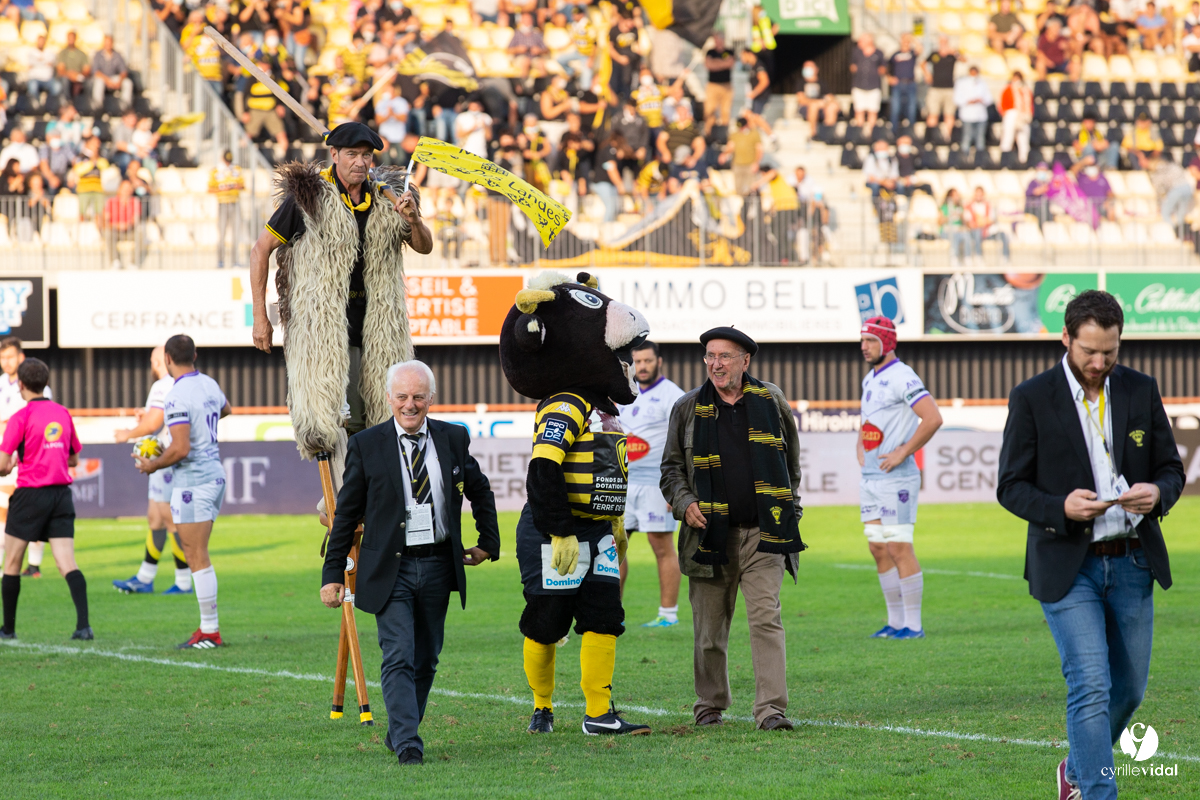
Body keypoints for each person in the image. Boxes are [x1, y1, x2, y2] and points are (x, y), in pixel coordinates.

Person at [997, 290, 1184, 800]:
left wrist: (1158, 493)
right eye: (1088, 352)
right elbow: (1010, 487)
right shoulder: (1032, 397)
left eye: (1110, 352)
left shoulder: (1141, 389)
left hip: (1133, 562)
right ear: (1065, 338)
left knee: (1129, 691)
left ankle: (1076, 770)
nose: (1099, 363)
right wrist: (1060, 507)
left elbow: (1172, 469)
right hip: (1068, 567)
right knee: (1091, 685)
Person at [321, 360, 499, 765]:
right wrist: (332, 574)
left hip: (439, 563)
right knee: (398, 654)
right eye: (402, 396)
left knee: (427, 657)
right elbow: (346, 515)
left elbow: (480, 489)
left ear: (430, 398)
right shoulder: (368, 444)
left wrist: (489, 541)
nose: (410, 404)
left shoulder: (454, 437)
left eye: (418, 396)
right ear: (389, 399)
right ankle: (408, 744)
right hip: (390, 569)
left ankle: (399, 729)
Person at [250, 121, 433, 465]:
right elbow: (260, 250)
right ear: (333, 155)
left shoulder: (388, 199)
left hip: (379, 330)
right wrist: (261, 318)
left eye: (366, 156)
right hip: (325, 330)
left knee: (379, 420)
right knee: (332, 421)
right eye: (352, 154)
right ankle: (337, 506)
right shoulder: (309, 198)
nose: (360, 163)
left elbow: (424, 247)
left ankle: (356, 504)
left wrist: (414, 221)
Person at [660, 327, 806, 730]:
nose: (716, 364)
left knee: (766, 620)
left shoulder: (772, 401)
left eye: (724, 356)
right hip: (709, 537)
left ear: (745, 360)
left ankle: (771, 711)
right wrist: (685, 503)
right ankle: (709, 704)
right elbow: (671, 469)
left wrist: (790, 509)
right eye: (710, 356)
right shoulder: (687, 407)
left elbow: (791, 463)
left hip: (765, 535)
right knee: (709, 632)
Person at [133, 335, 231, 649]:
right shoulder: (209, 384)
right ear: (195, 355)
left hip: (193, 482)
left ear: (169, 360)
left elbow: (181, 448)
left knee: (196, 556)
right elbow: (226, 409)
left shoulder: (175, 395)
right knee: (197, 554)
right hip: (214, 475)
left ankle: (210, 631)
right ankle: (208, 629)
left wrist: (153, 465)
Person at [857, 317, 942, 640]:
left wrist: (903, 451)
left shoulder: (902, 376)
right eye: (862, 340)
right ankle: (894, 624)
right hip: (871, 478)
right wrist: (859, 444)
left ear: (888, 343)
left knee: (898, 546)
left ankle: (914, 626)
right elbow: (868, 419)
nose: (864, 346)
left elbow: (932, 417)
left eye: (871, 341)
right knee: (878, 547)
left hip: (897, 478)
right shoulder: (870, 378)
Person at [0, 358, 90, 641]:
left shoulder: (20, 418)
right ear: (47, 383)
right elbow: (74, 457)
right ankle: (83, 627)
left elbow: (2, 465)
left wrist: (13, 463)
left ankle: (9, 629)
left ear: (21, 385)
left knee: (12, 563)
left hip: (30, 495)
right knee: (67, 563)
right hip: (61, 496)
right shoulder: (62, 413)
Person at [112, 346, 193, 595]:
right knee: (155, 518)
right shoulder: (178, 384)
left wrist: (129, 433)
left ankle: (183, 581)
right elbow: (156, 418)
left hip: (165, 458)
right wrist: (146, 419)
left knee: (168, 519)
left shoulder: (162, 384)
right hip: (164, 456)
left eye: (152, 360)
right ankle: (145, 578)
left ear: (159, 361)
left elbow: (154, 422)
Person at [616, 342, 684, 628]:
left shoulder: (673, 396)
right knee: (613, 547)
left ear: (659, 362)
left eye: (647, 361)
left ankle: (668, 615)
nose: (641, 366)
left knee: (661, 546)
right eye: (637, 361)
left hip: (657, 484)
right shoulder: (621, 393)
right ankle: (610, 612)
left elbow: (684, 442)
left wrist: (677, 489)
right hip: (622, 483)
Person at [0, 336, 52, 578]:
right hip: (5, 451)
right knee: (3, 510)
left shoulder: (37, 386)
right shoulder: (1, 384)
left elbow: (42, 418)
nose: (5, 361)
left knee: (28, 511)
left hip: (27, 456)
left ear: (20, 357)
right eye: (2, 357)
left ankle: (33, 565)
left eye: (10, 356)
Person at [208, 151, 244, 270]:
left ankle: (235, 261)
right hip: (222, 203)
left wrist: (233, 186)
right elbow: (210, 189)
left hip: (235, 202)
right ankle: (220, 261)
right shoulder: (215, 171)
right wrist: (222, 189)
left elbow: (242, 185)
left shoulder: (236, 169)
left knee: (235, 234)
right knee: (222, 234)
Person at [1146, 152, 1195, 233]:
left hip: (1176, 189)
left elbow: (1160, 191)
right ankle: (1183, 234)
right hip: (1187, 188)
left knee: (1165, 213)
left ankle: (1175, 231)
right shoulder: (1172, 165)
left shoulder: (1157, 173)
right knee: (1180, 214)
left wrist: (1159, 205)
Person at [923, 36, 960, 142]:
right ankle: (931, 138)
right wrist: (927, 74)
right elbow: (923, 63)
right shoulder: (934, 54)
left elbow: (964, 60)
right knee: (933, 113)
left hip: (949, 88)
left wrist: (954, 52)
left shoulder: (952, 55)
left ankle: (947, 137)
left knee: (949, 114)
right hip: (935, 88)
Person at [850, 33, 887, 136]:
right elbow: (852, 66)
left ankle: (871, 134)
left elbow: (883, 68)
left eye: (862, 40)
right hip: (859, 86)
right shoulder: (856, 52)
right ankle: (859, 133)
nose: (859, 42)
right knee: (859, 110)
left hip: (873, 86)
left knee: (872, 111)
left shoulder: (879, 53)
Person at [954, 65, 992, 159]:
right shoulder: (962, 83)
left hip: (980, 115)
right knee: (967, 137)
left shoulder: (982, 83)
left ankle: (980, 159)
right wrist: (968, 101)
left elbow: (989, 99)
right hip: (967, 114)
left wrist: (981, 100)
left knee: (980, 138)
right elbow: (957, 99)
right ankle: (964, 158)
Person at [965, 186, 1011, 265]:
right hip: (975, 232)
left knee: (1003, 234)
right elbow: (968, 222)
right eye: (977, 194)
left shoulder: (987, 205)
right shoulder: (969, 206)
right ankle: (978, 256)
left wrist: (984, 222)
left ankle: (1005, 258)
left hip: (987, 231)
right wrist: (978, 224)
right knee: (977, 232)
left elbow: (992, 220)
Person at [795, 61, 839, 136]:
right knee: (814, 106)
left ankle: (827, 134)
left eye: (809, 67)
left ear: (816, 69)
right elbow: (801, 99)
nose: (807, 69)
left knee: (833, 106)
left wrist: (824, 102)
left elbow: (831, 97)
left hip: (821, 106)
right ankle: (813, 134)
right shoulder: (801, 83)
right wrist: (816, 102)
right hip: (807, 108)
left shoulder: (822, 83)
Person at [703, 31, 735, 135]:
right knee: (710, 111)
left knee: (725, 112)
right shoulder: (710, 52)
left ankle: (723, 135)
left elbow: (730, 63)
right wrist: (722, 64)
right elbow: (708, 65)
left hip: (726, 86)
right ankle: (709, 134)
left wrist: (716, 63)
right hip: (712, 86)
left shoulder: (729, 51)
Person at [91, 34, 134, 111]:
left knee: (128, 83)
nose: (108, 45)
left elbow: (123, 71)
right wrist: (107, 80)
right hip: (102, 78)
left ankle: (125, 106)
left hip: (113, 77)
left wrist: (119, 81)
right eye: (106, 42)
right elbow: (96, 72)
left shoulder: (117, 55)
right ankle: (97, 106)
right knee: (99, 82)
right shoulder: (98, 55)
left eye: (109, 42)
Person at [887, 33, 920, 132]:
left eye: (907, 42)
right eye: (904, 41)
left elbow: (920, 49)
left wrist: (912, 38)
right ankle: (894, 131)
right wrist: (889, 78)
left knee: (911, 108)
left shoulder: (912, 53)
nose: (905, 43)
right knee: (895, 108)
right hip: (898, 84)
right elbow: (886, 68)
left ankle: (911, 130)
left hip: (910, 83)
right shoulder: (895, 54)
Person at [999, 71, 1033, 164]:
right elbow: (1003, 103)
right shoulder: (1008, 89)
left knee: (1023, 138)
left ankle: (1024, 160)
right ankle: (1005, 160)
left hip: (1023, 115)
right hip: (1011, 113)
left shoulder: (1026, 90)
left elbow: (1029, 104)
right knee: (1008, 137)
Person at [724, 115, 762, 196]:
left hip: (750, 164)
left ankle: (747, 206)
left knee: (750, 188)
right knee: (738, 188)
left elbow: (759, 149)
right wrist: (725, 154)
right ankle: (741, 206)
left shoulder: (754, 134)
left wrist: (756, 162)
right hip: (737, 164)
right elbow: (731, 147)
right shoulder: (734, 135)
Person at [22, 34, 61, 102]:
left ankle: (50, 104)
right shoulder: (31, 52)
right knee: (32, 87)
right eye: (39, 41)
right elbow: (30, 64)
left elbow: (51, 63)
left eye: (42, 41)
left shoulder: (50, 52)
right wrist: (44, 62)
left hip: (47, 79)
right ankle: (36, 106)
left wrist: (37, 63)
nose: (41, 43)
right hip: (35, 78)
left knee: (57, 87)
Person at [940, 187, 970, 265]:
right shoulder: (944, 207)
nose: (957, 197)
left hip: (958, 230)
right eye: (955, 195)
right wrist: (950, 216)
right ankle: (954, 257)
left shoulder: (960, 208)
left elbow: (966, 224)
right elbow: (940, 221)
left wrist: (962, 216)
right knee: (954, 235)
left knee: (966, 235)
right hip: (946, 231)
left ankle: (967, 257)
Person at [741, 49, 770, 117]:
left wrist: (755, 92)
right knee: (748, 116)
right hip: (754, 97)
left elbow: (765, 81)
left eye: (743, 56)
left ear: (749, 54)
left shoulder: (759, 65)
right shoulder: (752, 66)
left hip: (761, 96)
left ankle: (768, 128)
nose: (742, 58)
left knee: (756, 117)